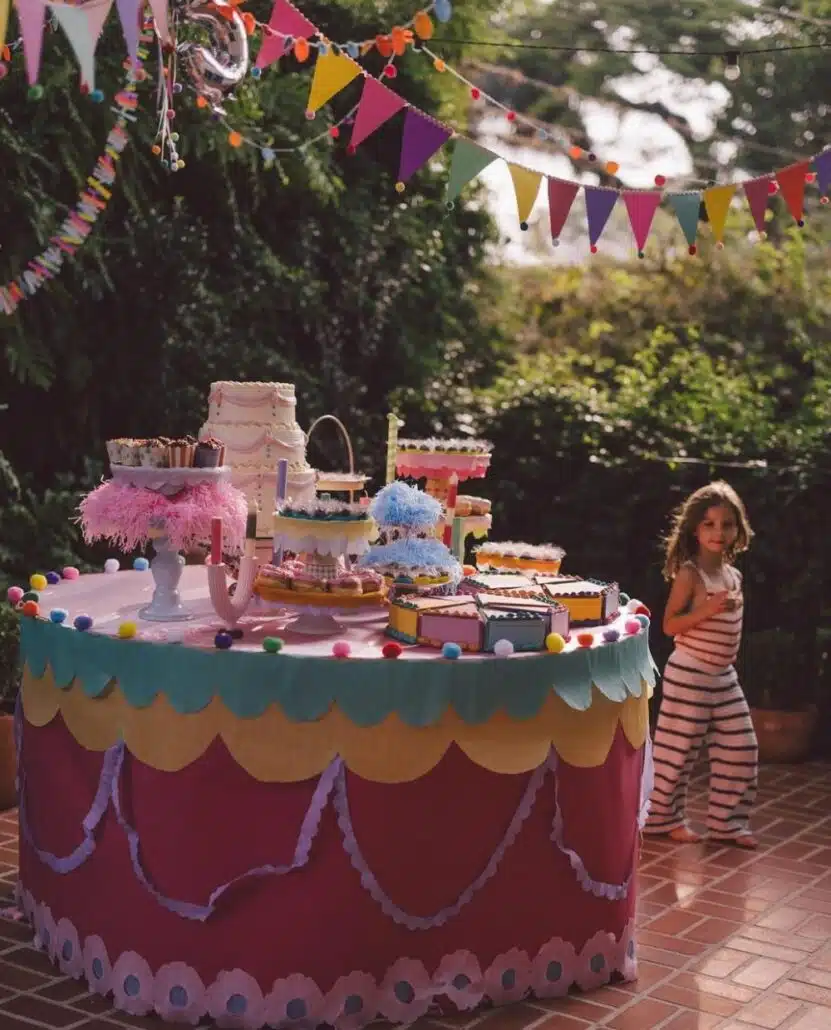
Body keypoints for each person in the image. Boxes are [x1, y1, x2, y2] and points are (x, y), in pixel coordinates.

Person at [644, 481, 758, 848]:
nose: (718, 532)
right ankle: (661, 819)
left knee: (741, 745)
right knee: (677, 751)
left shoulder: (733, 575)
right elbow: (669, 625)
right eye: (709, 524)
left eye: (726, 524)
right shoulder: (690, 574)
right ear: (695, 528)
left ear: (738, 529)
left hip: (724, 677)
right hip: (689, 674)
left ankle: (727, 823)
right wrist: (707, 608)